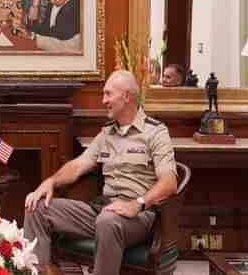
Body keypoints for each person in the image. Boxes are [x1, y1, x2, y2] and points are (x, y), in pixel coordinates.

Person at [24, 70, 177, 275]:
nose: (103, 100)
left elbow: (169, 182)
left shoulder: (155, 132)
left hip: (138, 216)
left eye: (108, 94)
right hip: (102, 209)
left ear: (126, 96)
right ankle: (39, 272)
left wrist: (137, 204)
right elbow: (78, 165)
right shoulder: (107, 133)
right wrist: (51, 182)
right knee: (36, 207)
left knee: (108, 221)